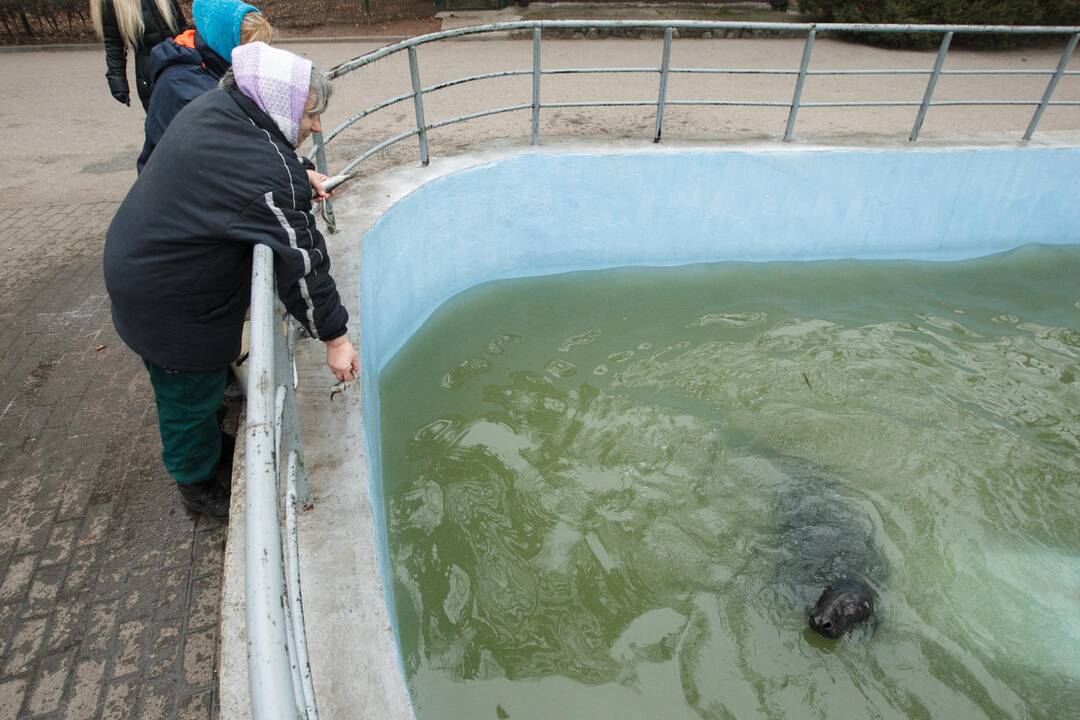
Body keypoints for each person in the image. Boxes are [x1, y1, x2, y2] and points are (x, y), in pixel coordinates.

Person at [103, 43, 358, 519]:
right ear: (280, 106)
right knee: (186, 398)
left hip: (143, 271)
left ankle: (206, 444)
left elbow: (253, 168)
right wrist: (335, 338)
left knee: (195, 391)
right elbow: (302, 261)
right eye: (309, 113)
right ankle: (194, 485)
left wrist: (300, 177)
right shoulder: (263, 167)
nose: (316, 126)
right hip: (171, 304)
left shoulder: (220, 107)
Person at [137, 0, 273, 171]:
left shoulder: (212, 64)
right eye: (251, 49)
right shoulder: (185, 87)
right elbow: (233, 148)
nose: (257, 59)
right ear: (226, 43)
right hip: (177, 182)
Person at [91, 0, 187, 110]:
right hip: (151, 74)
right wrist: (117, 81)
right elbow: (114, 42)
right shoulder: (112, 3)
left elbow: (182, 27)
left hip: (182, 62)